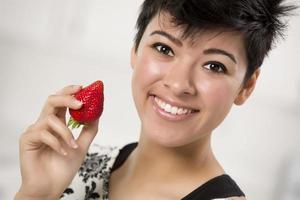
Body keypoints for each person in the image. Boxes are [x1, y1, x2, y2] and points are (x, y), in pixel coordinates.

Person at [15, 0, 296, 199]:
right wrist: (36, 194)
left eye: (214, 66)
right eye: (164, 48)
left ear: (246, 86)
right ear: (135, 49)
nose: (178, 83)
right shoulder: (79, 164)